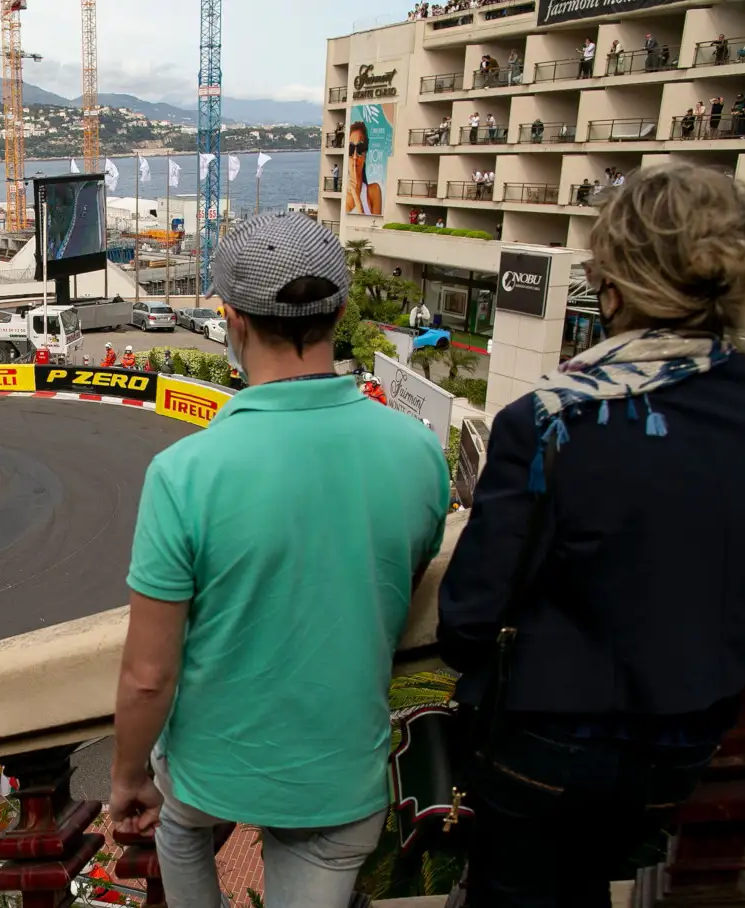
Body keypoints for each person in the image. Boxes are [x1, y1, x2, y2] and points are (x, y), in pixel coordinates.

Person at [440, 162, 745, 906]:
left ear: (616, 281)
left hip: (550, 743)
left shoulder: (550, 418)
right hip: (691, 730)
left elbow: (470, 616)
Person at [111, 212, 448, 908]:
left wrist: (126, 777)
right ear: (342, 312)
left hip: (211, 772)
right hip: (341, 777)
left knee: (178, 824)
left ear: (231, 320)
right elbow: (393, 588)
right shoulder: (418, 453)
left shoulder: (184, 472)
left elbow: (148, 676)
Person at [345, 121, 382, 216]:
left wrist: (357, 199)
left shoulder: (374, 190)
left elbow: (373, 227)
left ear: (365, 154)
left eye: (360, 149)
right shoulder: (344, 198)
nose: (354, 156)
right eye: (351, 148)